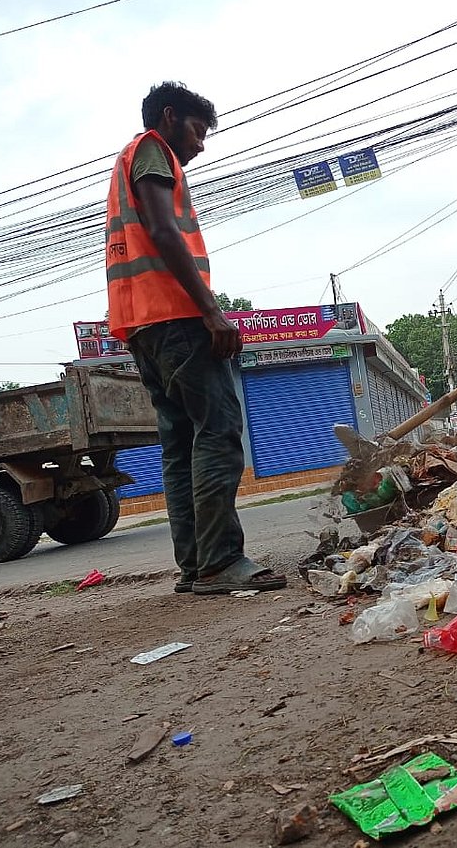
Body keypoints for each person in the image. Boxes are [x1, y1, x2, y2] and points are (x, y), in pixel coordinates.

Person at [105, 82, 285, 595]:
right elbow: (163, 232)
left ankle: (196, 565)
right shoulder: (151, 153)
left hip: (143, 324)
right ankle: (220, 561)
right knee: (218, 430)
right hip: (176, 318)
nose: (201, 144)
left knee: (180, 443)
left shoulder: (131, 161)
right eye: (197, 130)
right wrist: (212, 313)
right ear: (169, 117)